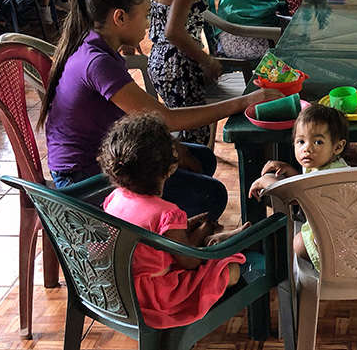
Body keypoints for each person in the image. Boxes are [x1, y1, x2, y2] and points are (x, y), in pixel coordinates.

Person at [45, 0, 281, 218]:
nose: (148, 24)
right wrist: (243, 102)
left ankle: (172, 228)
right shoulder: (97, 62)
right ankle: (161, 242)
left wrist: (175, 149)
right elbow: (165, 119)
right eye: (145, 15)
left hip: (104, 157)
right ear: (120, 17)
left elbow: (142, 121)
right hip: (82, 178)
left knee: (203, 158)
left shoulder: (96, 46)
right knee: (212, 194)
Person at [97, 115, 249, 328]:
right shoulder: (168, 213)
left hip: (119, 288)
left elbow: (147, 235)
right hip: (153, 298)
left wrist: (184, 227)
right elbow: (190, 260)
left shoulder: (114, 198)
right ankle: (215, 240)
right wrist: (202, 230)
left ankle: (215, 238)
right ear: (169, 171)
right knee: (231, 270)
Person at [146, 0, 228, 147]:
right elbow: (174, 32)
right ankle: (194, 175)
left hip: (158, 61)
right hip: (179, 65)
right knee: (194, 129)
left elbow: (140, 0)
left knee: (182, 122)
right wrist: (206, 60)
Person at [245, 104, 350, 270]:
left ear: (338, 146)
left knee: (299, 244)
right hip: (355, 236)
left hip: (337, 242)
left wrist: (265, 181)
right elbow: (306, 187)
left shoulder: (328, 176)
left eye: (318, 142)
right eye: (300, 141)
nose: (307, 148)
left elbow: (293, 197)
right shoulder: (333, 166)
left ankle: (330, 267)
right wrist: (290, 170)